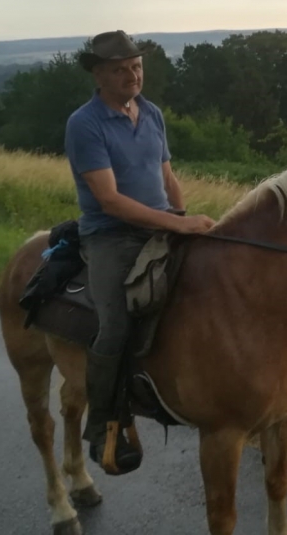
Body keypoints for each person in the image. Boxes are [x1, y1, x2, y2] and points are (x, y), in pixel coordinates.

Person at [65, 30, 215, 474]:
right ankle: (102, 423)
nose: (132, 75)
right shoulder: (85, 123)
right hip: (111, 236)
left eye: (136, 67)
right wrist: (176, 222)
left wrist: (182, 216)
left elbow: (166, 176)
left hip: (162, 225)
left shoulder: (150, 113)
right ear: (99, 74)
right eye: (120, 69)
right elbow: (109, 200)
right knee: (114, 324)